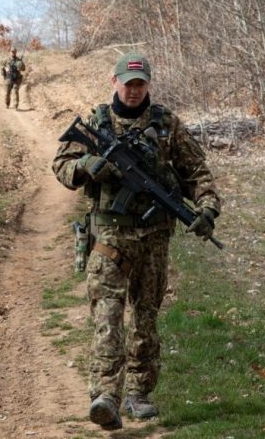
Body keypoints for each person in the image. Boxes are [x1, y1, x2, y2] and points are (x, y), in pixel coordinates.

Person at [51, 52, 221, 430]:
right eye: (127, 84)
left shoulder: (166, 125)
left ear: (148, 85)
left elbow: (196, 172)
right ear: (114, 83)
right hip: (109, 236)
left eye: (140, 83)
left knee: (145, 318)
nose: (133, 90)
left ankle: (139, 393)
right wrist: (86, 167)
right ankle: (105, 395)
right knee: (108, 317)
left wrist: (207, 207)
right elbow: (62, 165)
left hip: (154, 239)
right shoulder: (97, 122)